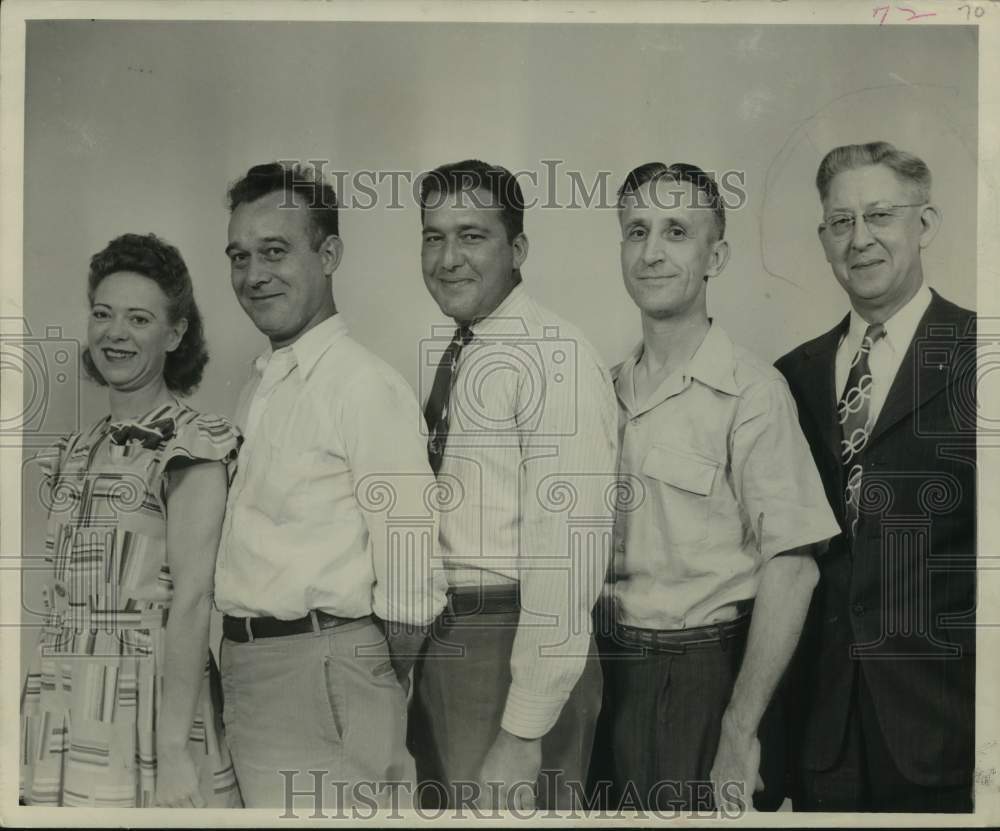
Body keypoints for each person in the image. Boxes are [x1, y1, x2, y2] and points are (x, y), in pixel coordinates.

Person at [596, 162, 840, 812]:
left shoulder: (752, 394)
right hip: (606, 669)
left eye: (677, 230)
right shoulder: (601, 391)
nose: (651, 252)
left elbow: (794, 568)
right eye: (636, 230)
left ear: (716, 254)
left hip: (699, 675)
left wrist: (738, 726)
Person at [214, 162, 447, 809]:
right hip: (256, 670)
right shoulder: (263, 383)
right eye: (239, 256)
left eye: (274, 251)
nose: (253, 274)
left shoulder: (362, 385)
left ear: (330, 253)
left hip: (326, 667)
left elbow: (412, 568)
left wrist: (361, 676)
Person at [408, 159, 619, 810]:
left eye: (471, 236)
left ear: (517, 249)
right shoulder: (467, 349)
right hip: (449, 643)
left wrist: (523, 730)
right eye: (433, 236)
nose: (447, 258)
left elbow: (569, 553)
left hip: (510, 645)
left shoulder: (553, 355)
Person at [775, 141, 976, 813]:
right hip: (821, 729)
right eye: (841, 222)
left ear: (925, 225)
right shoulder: (793, 376)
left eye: (881, 215)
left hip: (949, 726)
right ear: (824, 238)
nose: (860, 239)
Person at [20, 232, 242, 808]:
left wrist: (172, 752)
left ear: (175, 334)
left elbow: (193, 600)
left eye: (139, 319)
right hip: (64, 703)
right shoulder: (77, 448)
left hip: (149, 704)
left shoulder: (192, 444)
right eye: (103, 314)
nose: (115, 333)